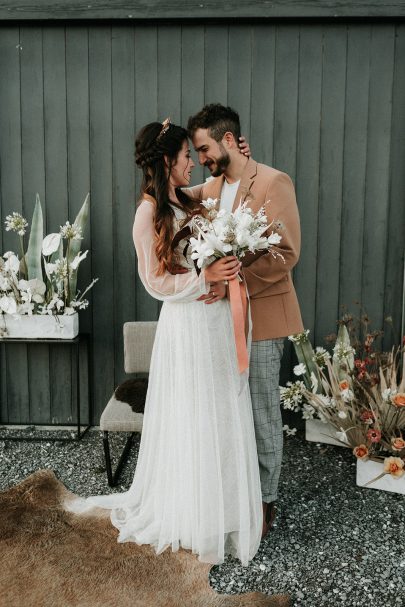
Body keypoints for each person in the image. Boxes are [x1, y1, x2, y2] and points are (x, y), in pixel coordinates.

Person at [70, 120, 263, 566]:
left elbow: (220, 185)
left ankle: (224, 508)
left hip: (213, 325)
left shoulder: (184, 198)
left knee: (217, 410)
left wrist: (240, 159)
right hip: (186, 328)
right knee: (193, 415)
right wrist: (205, 277)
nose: (192, 163)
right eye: (184, 157)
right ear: (165, 162)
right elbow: (154, 282)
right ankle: (192, 514)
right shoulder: (148, 211)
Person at [186, 104, 304, 538]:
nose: (201, 159)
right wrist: (157, 169)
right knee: (230, 413)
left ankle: (265, 501)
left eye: (204, 149)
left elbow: (286, 253)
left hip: (264, 318)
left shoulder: (273, 181)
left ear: (230, 140)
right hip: (223, 321)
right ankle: (236, 493)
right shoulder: (211, 187)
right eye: (195, 153)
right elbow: (177, 195)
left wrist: (233, 284)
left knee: (260, 414)